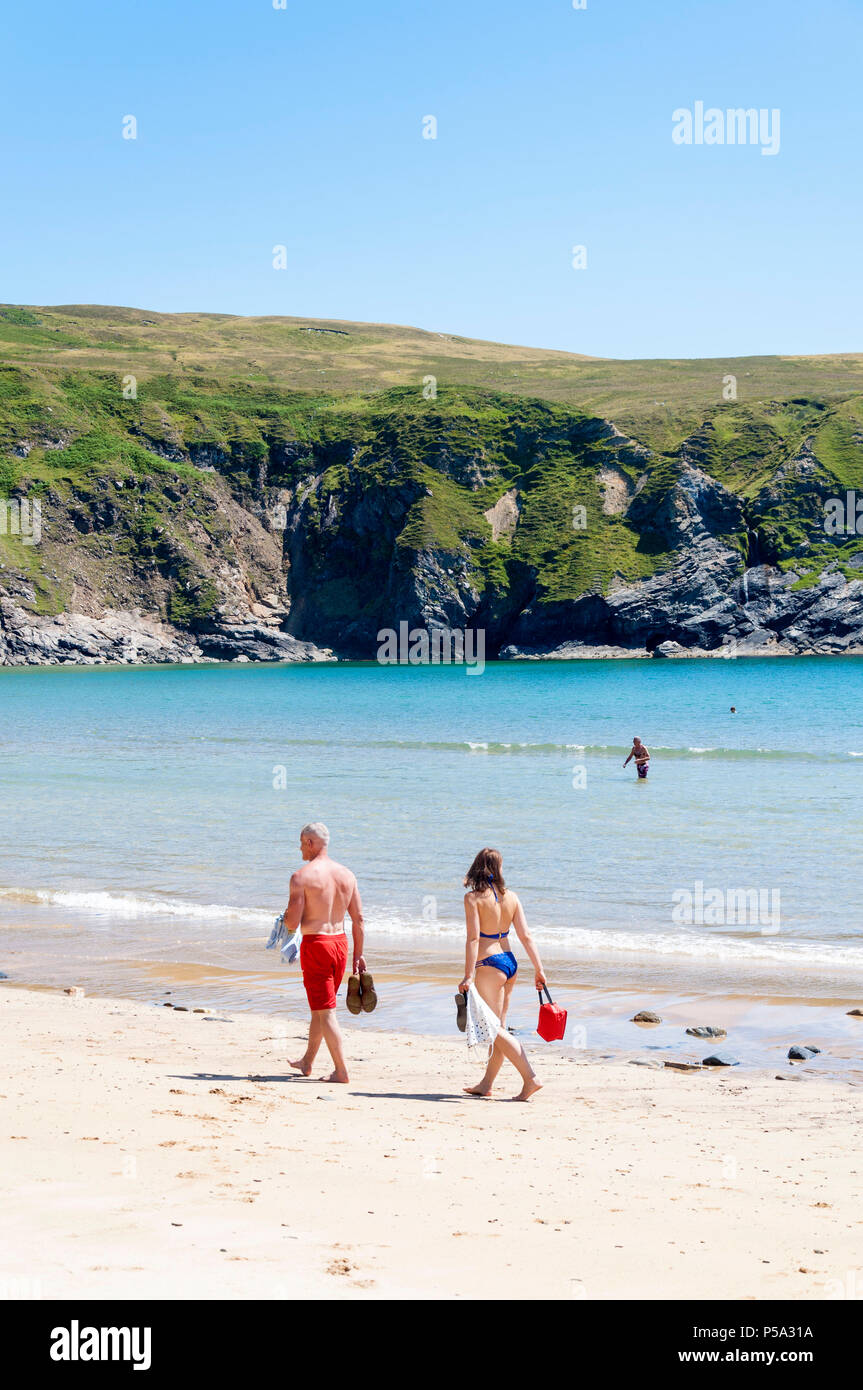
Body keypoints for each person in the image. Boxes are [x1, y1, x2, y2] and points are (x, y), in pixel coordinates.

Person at [458, 848, 545, 1101]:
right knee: (500, 1027)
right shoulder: (513, 897)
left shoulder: (472, 899)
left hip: (487, 963)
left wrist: (467, 976)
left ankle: (530, 1077)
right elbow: (526, 936)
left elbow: (474, 938)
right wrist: (539, 969)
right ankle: (486, 1084)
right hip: (509, 962)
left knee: (493, 1028)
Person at [282, 822, 366, 1084]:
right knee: (321, 1006)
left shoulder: (301, 877)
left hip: (317, 945)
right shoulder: (347, 875)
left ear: (309, 843)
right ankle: (307, 1061)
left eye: (301, 842)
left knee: (326, 1011)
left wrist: (283, 920)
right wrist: (358, 955)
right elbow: (359, 919)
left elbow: (293, 923)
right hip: (341, 944)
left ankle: (341, 1071)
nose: (299, 848)